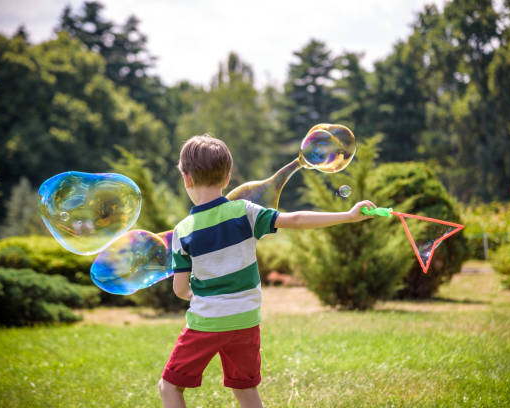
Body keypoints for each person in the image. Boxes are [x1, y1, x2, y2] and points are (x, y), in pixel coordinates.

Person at [159, 134, 376, 408]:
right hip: (246, 321)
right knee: (246, 389)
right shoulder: (244, 212)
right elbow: (295, 219)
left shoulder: (183, 231)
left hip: (207, 322)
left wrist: (199, 297)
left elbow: (180, 289)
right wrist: (348, 216)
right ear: (227, 179)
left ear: (186, 179)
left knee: (170, 386)